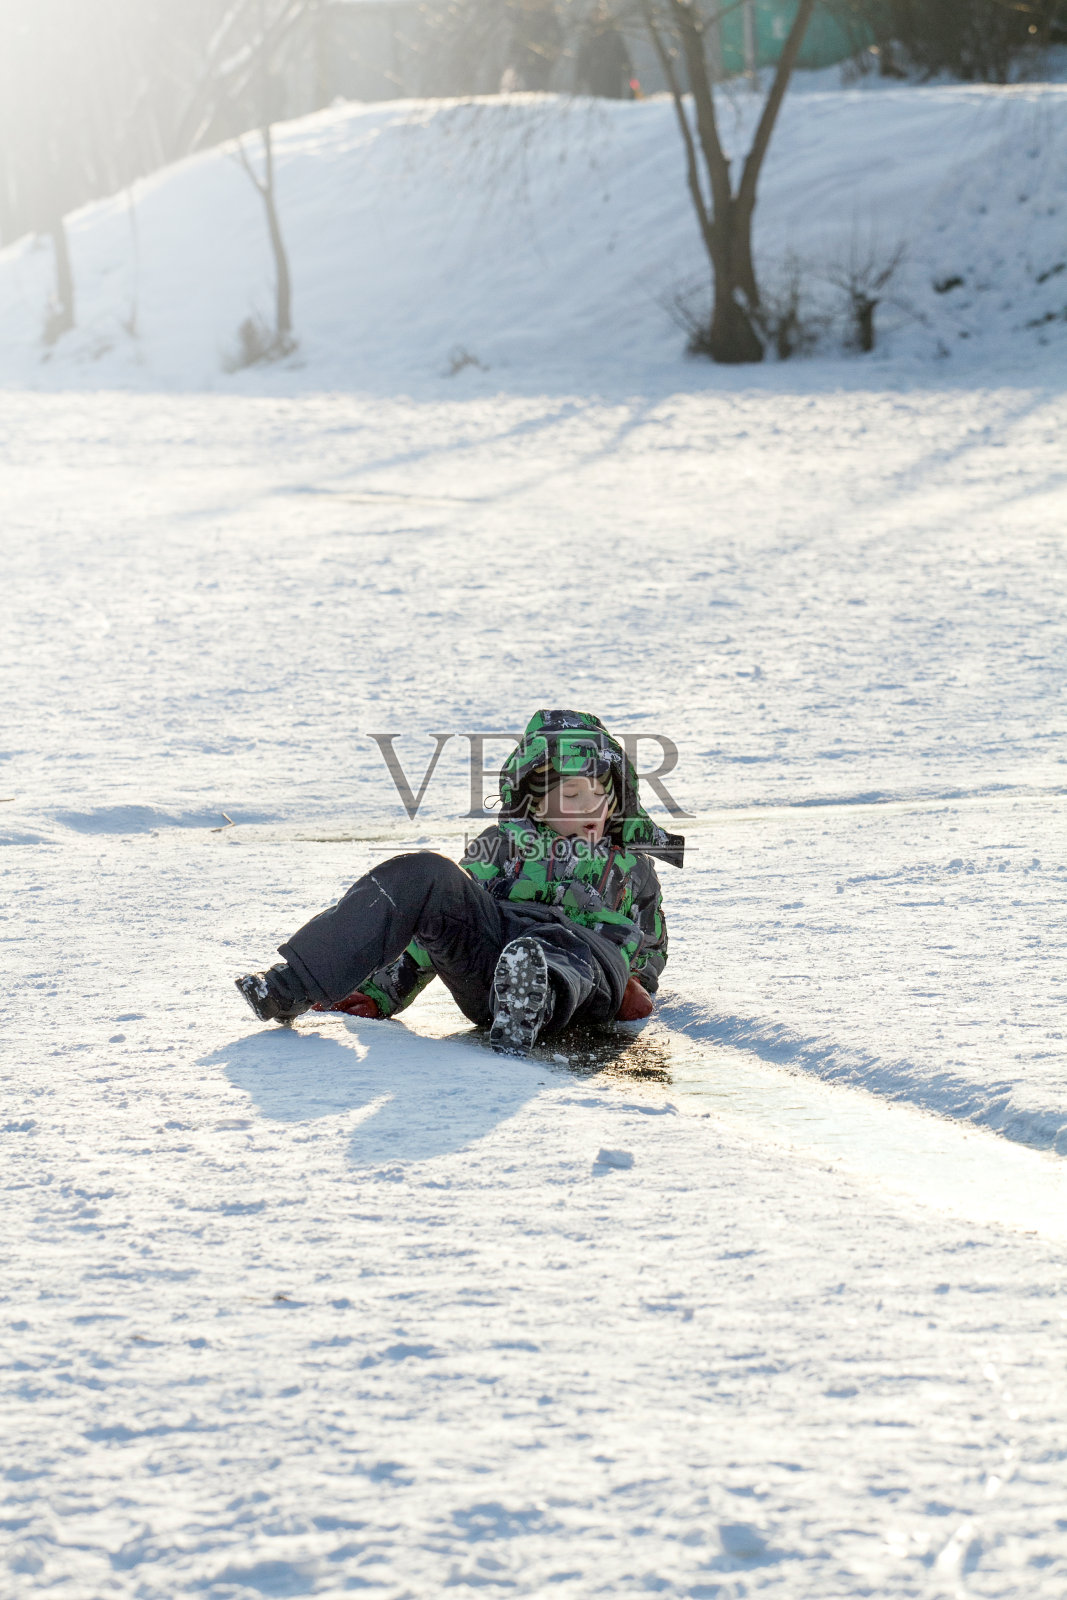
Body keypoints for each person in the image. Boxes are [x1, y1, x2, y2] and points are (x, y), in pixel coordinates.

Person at [236, 710, 684, 1057]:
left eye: (601, 794)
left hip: (587, 967)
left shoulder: (629, 865)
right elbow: (437, 932)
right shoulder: (501, 847)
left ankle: (531, 999)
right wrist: (379, 994)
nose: (592, 806)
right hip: (491, 966)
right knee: (426, 873)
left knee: (554, 946)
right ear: (533, 799)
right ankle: (290, 985)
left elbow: (652, 943)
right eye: (571, 795)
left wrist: (638, 980)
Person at [576, 3, 633, 100]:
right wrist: (579, 78)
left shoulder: (613, 33)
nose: (597, 16)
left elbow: (623, 54)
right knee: (599, 102)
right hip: (595, 76)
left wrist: (629, 73)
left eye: (599, 13)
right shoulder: (586, 34)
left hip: (614, 74)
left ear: (604, 14)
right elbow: (582, 58)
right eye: (594, 13)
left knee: (615, 101)